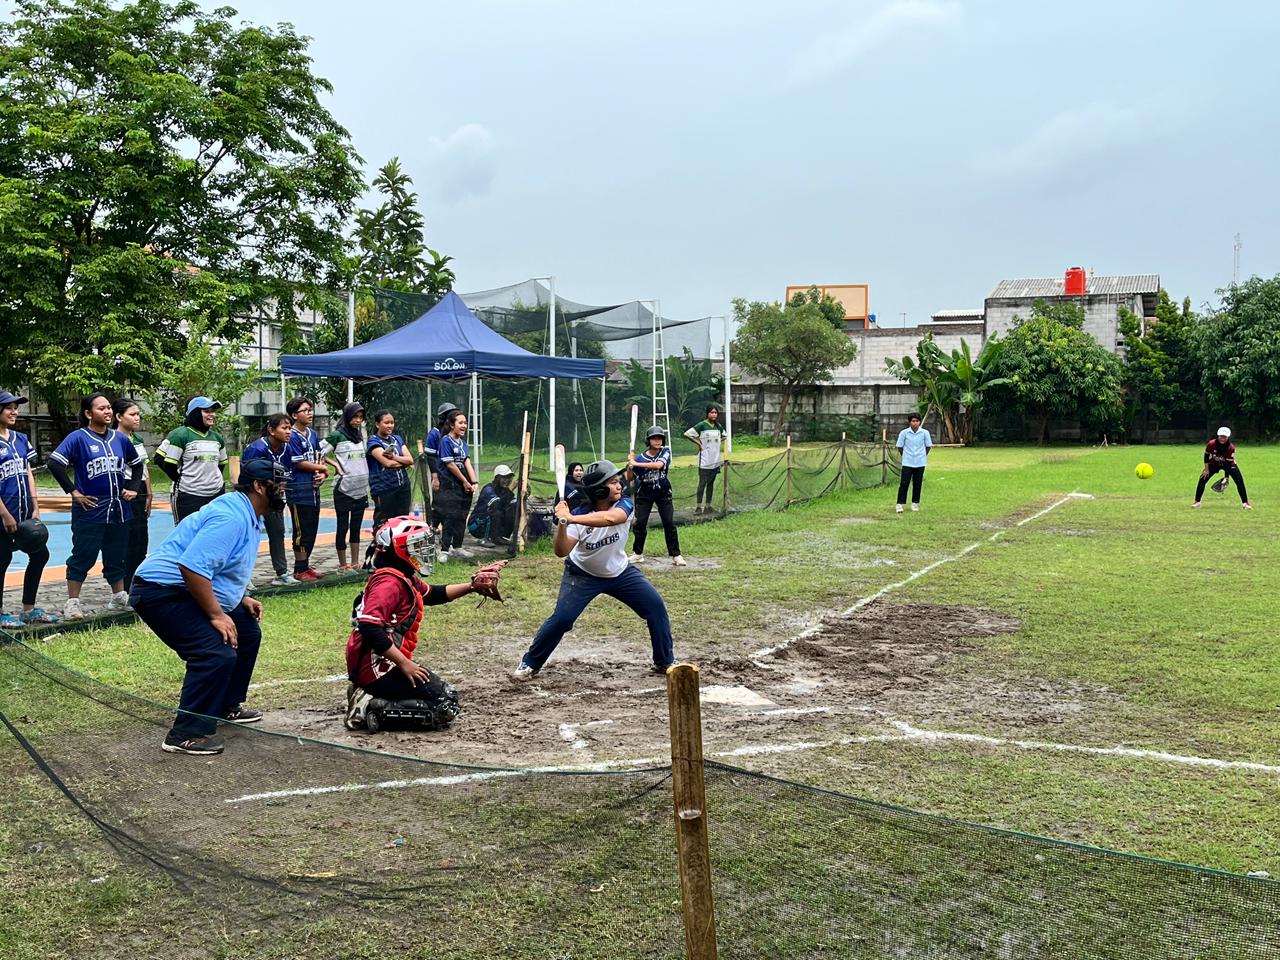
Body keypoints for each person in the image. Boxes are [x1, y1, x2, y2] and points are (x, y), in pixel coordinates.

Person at [130, 457, 287, 755]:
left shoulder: (248, 512)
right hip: (160, 591)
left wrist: (239, 598)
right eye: (278, 485)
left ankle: (224, 705)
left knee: (247, 632)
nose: (282, 491)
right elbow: (192, 567)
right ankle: (186, 734)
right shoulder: (232, 516)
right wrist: (216, 614)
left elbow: (221, 566)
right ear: (258, 486)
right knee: (214, 652)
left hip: (183, 587)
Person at [511, 460, 675, 681]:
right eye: (613, 483)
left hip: (620, 572)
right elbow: (561, 551)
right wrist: (562, 523)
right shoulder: (579, 515)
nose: (619, 486)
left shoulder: (624, 505)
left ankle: (664, 661)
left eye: (618, 482)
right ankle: (530, 663)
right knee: (562, 620)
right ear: (598, 490)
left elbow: (610, 519)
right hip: (582, 574)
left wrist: (570, 518)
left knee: (655, 607)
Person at [344, 514, 489, 732]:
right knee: (444, 705)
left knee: (445, 694)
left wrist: (472, 587)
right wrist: (404, 663)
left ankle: (370, 693)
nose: (423, 549)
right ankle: (368, 707)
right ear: (400, 548)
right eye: (416, 545)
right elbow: (369, 626)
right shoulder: (389, 582)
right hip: (375, 667)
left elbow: (433, 594)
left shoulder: (402, 575)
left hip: (379, 663)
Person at [47, 393, 145, 619]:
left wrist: (133, 487)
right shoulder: (78, 438)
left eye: (109, 407)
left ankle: (118, 595)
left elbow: (137, 465)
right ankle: (73, 602)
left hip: (119, 510)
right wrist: (74, 492)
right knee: (83, 555)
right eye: (101, 408)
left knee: (117, 554)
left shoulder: (120, 439)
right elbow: (55, 463)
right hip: (90, 511)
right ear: (88, 414)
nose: (108, 412)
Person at [0, 390, 58, 626]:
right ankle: (1, 612)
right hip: (3, 514)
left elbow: (27, 472)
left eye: (16, 407)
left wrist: (36, 505)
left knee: (40, 555)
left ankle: (28, 609)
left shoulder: (20, 438)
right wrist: (4, 514)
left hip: (24, 513)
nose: (14, 412)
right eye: (8, 408)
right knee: (1, 560)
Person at [156, 396, 228, 523]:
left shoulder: (217, 438)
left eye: (213, 411)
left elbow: (222, 464)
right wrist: (183, 481)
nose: (212, 415)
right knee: (187, 534)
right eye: (207, 411)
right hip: (189, 496)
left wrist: (213, 482)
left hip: (216, 495)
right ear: (195, 413)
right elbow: (167, 464)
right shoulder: (180, 435)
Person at [242, 414, 295, 585]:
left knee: (277, 532)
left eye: (290, 428)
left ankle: (282, 573)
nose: (289, 432)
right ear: (271, 430)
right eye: (284, 428)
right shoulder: (256, 449)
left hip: (273, 497)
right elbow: (247, 475)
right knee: (248, 535)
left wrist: (281, 486)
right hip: (253, 499)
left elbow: (287, 472)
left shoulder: (287, 448)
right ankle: (243, 577)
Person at [284, 397, 329, 581]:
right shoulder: (291, 436)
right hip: (298, 489)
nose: (310, 413)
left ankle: (306, 564)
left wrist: (322, 473)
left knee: (311, 528)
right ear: (295, 415)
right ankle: (299, 568)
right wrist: (322, 469)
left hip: (313, 490)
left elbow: (319, 458)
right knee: (300, 530)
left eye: (311, 409)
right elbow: (299, 462)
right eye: (305, 410)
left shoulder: (313, 434)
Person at [322, 402, 370, 571]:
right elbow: (317, 451)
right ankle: (343, 564)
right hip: (344, 489)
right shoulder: (337, 435)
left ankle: (356, 561)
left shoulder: (360, 435)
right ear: (347, 416)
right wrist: (334, 464)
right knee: (343, 526)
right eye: (355, 417)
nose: (358, 421)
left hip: (361, 489)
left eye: (360, 417)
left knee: (356, 527)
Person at [628, 425, 685, 566]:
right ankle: (638, 553)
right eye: (654, 438)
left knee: (668, 522)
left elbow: (658, 465)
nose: (658, 441)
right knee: (640, 522)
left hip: (663, 491)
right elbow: (630, 477)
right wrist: (630, 466)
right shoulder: (640, 458)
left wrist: (635, 463)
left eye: (660, 438)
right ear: (649, 440)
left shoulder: (665, 452)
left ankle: (676, 555)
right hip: (645, 492)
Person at [113, 398, 153, 592]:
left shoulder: (137, 440)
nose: (137, 418)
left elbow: (143, 467)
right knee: (125, 541)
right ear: (119, 417)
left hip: (140, 491)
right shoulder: (113, 439)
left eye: (138, 414)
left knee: (141, 540)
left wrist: (149, 492)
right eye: (132, 414)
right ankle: (123, 586)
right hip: (125, 490)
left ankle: (136, 581)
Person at [366, 409, 414, 562]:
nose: (389, 425)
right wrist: (399, 461)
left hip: (402, 486)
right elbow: (385, 463)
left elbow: (410, 460)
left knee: (402, 521)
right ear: (377, 424)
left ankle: (399, 555)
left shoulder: (397, 439)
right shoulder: (373, 441)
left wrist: (394, 456)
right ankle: (376, 558)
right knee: (383, 522)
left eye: (392, 422)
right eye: (386, 422)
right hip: (384, 488)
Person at [436, 410, 477, 562]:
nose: (464, 426)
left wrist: (474, 482)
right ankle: (445, 549)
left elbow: (467, 462)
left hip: (464, 487)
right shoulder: (445, 441)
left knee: (461, 516)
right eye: (460, 423)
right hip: (450, 485)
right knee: (450, 517)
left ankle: (458, 547)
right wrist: (465, 482)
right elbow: (451, 465)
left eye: (465, 423)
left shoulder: (463, 444)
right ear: (452, 424)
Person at [684, 404, 727, 514]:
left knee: (711, 483)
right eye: (712, 412)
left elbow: (724, 435)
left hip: (715, 459)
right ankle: (698, 507)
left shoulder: (718, 426)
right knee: (702, 483)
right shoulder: (702, 425)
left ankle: (708, 506)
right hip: (705, 459)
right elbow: (688, 434)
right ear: (707, 413)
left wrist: (715, 444)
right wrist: (699, 443)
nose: (714, 414)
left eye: (715, 412)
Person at [1194, 427, 1251, 510]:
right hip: (1214, 463)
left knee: (1239, 481)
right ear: (1218, 436)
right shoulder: (1211, 444)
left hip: (1229, 464)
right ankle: (1197, 502)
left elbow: (1227, 464)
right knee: (1202, 478)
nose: (1222, 438)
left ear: (1228, 437)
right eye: (1221, 436)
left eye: (1224, 437)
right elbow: (1206, 456)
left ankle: (1245, 503)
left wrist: (1226, 477)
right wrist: (1206, 469)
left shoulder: (1231, 447)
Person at [423, 401, 459, 532]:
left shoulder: (454, 434)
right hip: (440, 473)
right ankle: (434, 526)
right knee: (439, 502)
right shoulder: (435, 433)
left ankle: (445, 527)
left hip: (452, 474)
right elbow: (430, 456)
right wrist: (434, 476)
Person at [468, 464, 516, 547]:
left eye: (509, 478)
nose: (507, 480)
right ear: (497, 478)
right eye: (504, 478)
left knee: (514, 506)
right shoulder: (488, 489)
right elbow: (496, 504)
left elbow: (512, 502)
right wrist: (511, 489)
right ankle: (485, 539)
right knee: (495, 510)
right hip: (475, 526)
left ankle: (501, 537)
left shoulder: (505, 490)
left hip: (487, 523)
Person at [895, 413, 932, 513]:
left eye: (917, 421)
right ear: (909, 422)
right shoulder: (904, 433)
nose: (915, 423)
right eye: (913, 421)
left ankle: (915, 503)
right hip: (907, 462)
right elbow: (900, 446)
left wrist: (922, 455)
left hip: (920, 462)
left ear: (920, 422)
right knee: (904, 483)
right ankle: (899, 504)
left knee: (917, 483)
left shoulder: (925, 433)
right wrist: (906, 456)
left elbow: (928, 446)